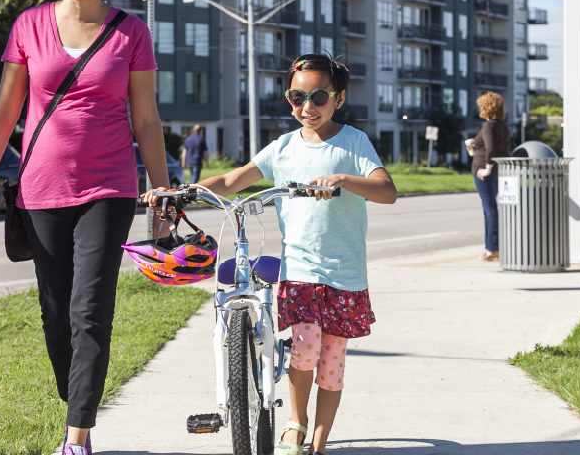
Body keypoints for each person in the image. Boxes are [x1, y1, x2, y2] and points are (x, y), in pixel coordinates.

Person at [0, 0, 168, 455]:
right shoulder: (29, 25)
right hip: (40, 189)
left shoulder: (131, 32)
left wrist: (163, 193)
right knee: (56, 316)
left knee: (90, 310)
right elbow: (4, 110)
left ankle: (76, 439)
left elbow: (146, 120)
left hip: (109, 187)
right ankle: (78, 397)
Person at [145, 53, 397, 455]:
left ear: (339, 98)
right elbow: (232, 179)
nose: (307, 107)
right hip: (299, 269)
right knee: (306, 347)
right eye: (297, 97)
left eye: (318, 97)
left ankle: (319, 441)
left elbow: (387, 190)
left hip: (345, 273)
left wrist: (344, 180)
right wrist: (183, 192)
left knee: (332, 365)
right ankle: (296, 424)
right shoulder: (281, 149)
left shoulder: (353, 142)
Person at [468, 92, 511, 262]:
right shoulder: (503, 126)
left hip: (483, 172)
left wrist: (486, 168)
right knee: (490, 209)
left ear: (486, 107)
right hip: (497, 171)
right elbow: (500, 148)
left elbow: (491, 148)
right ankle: (491, 247)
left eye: (481, 106)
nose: (480, 109)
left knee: (490, 210)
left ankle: (493, 249)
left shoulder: (488, 126)